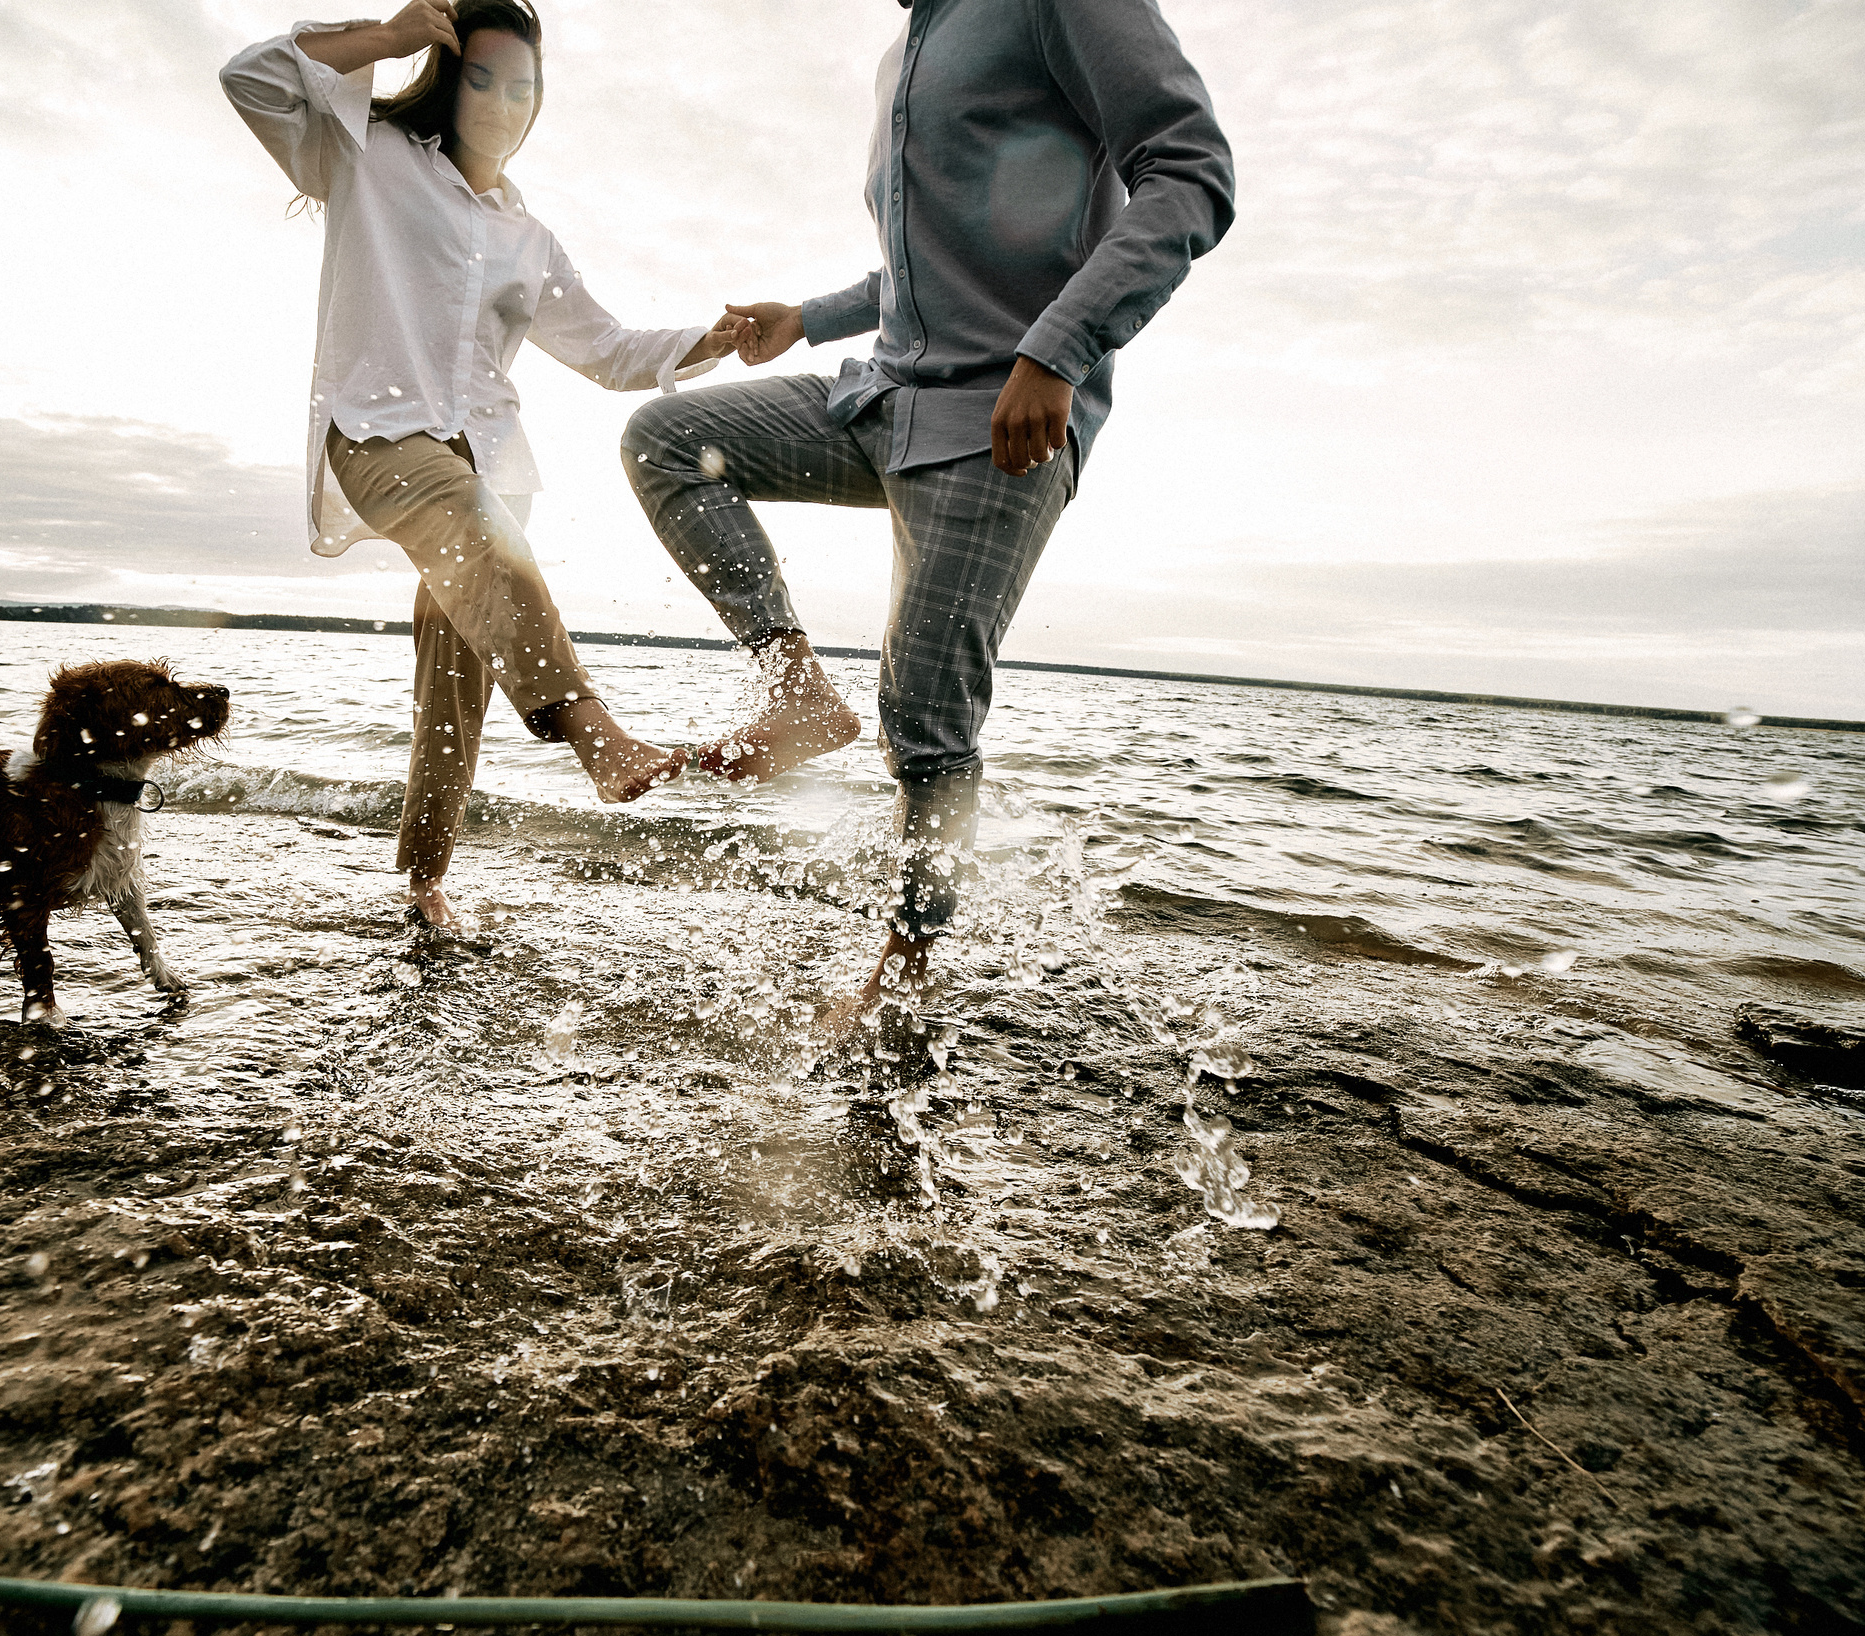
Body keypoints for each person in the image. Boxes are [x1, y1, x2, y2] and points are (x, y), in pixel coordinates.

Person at [621, 0, 1235, 1023]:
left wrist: (1060, 349)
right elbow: (932, 262)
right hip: (883, 396)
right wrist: (807, 318)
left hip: (1004, 419)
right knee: (667, 439)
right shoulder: (905, 47)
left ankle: (902, 978)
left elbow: (1190, 172)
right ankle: (796, 690)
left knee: (925, 717)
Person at [222, 0, 738, 930]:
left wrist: (717, 337)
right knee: (477, 533)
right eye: (484, 78)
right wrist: (386, 38)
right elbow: (251, 77)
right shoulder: (368, 158)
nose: (504, 102)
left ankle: (423, 884)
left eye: (523, 87)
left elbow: (610, 350)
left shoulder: (528, 239)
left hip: (494, 463)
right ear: (449, 80)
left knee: (455, 685)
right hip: (379, 436)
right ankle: (594, 734)